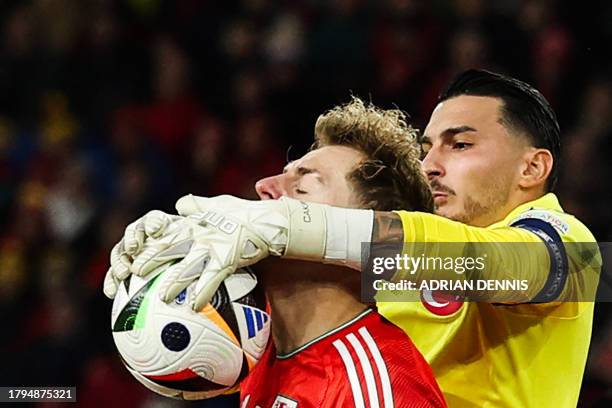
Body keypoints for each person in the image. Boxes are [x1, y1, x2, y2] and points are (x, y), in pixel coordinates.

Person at [105, 70, 600, 407]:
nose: (430, 165)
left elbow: (490, 265)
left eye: (462, 144)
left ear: (532, 167)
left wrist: (292, 226)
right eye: (427, 148)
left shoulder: (570, 248)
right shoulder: (383, 271)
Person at [238, 97, 445, 407]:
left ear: (364, 240)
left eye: (303, 187)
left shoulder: (378, 388)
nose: (264, 186)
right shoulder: (260, 349)